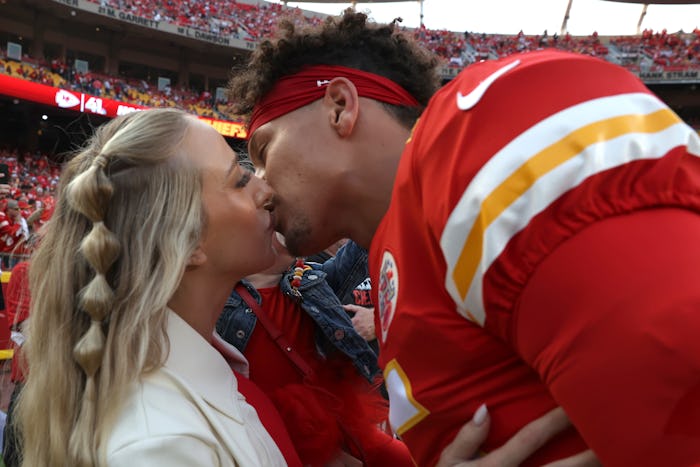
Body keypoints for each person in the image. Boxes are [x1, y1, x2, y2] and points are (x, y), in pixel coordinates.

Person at [227, 10, 700, 467]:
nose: (262, 185)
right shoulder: (400, 249)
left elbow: (674, 382)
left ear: (339, 107)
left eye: (263, 151)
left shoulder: (477, 127)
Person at [13, 108, 287, 466]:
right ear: (188, 242)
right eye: (238, 181)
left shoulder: (179, 391)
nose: (266, 189)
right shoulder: (161, 445)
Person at [217, 233, 412, 466]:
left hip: (342, 422)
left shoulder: (308, 280)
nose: (278, 225)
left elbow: (361, 242)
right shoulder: (219, 300)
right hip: (275, 439)